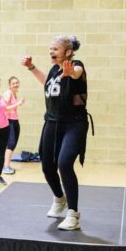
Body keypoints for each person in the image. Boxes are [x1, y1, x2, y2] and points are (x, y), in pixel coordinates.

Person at [22, 35, 89, 231]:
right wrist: (31, 67)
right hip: (52, 122)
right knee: (47, 166)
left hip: (74, 123)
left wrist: (71, 73)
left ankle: (73, 214)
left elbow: (77, 73)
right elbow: (47, 83)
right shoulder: (53, 69)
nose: (51, 51)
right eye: (50, 48)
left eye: (56, 49)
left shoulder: (76, 65)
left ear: (68, 52)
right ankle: (60, 198)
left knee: (64, 163)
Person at [1, 76, 26, 175]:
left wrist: (18, 103)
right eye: (13, 83)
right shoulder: (8, 93)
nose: (15, 84)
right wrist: (18, 104)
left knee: (13, 144)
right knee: (10, 144)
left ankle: (6, 165)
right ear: (10, 85)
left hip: (15, 121)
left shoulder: (14, 94)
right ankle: (5, 167)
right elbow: (5, 108)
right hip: (8, 121)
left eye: (17, 83)